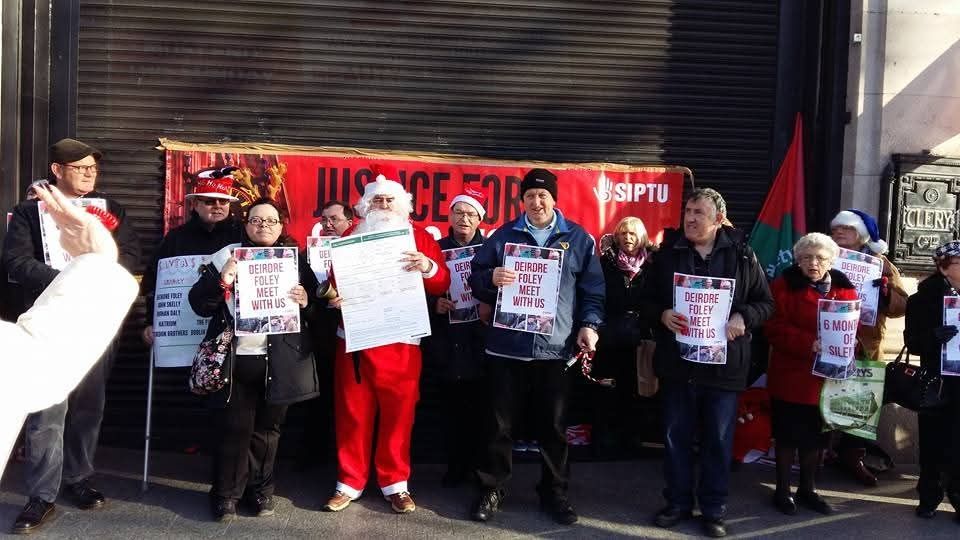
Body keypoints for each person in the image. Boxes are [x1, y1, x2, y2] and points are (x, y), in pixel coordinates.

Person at [2, 138, 141, 534]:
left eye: (92, 168)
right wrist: (69, 281)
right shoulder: (28, 212)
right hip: (48, 325)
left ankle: (79, 478)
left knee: (88, 405)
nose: (88, 173)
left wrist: (96, 275)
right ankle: (41, 495)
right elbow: (16, 261)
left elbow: (130, 255)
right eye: (79, 167)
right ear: (56, 170)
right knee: (48, 413)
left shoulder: (110, 211)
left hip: (94, 324)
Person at [468, 168, 605, 526]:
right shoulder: (503, 236)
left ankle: (554, 491)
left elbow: (593, 290)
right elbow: (477, 278)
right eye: (530, 195)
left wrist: (590, 326)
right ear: (522, 200)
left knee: (554, 427)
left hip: (555, 351)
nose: (537, 201)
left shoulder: (578, 239)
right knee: (498, 426)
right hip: (506, 348)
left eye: (543, 195)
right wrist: (490, 279)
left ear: (554, 200)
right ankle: (492, 487)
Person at [642, 188, 773, 538]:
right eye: (687, 210)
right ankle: (678, 503)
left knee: (718, 441)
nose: (690, 217)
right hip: (679, 365)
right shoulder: (668, 255)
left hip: (724, 368)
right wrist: (662, 313)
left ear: (718, 219)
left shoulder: (743, 256)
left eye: (699, 212)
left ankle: (713, 509)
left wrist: (744, 316)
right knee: (675, 438)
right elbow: (645, 300)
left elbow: (765, 303)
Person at [322, 174, 450, 514]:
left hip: (401, 341)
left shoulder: (419, 237)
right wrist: (336, 299)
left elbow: (441, 283)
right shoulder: (351, 235)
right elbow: (335, 281)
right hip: (356, 342)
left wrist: (427, 265)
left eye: (389, 200)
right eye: (376, 200)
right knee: (352, 413)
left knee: (399, 416)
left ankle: (395, 483)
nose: (382, 205)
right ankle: (349, 482)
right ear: (366, 206)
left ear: (402, 204)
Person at [188, 198, 321, 522]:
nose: (264, 226)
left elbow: (318, 312)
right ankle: (226, 496)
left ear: (281, 226)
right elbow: (199, 304)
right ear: (246, 224)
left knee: (268, 430)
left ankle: (260, 492)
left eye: (271, 221)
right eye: (257, 220)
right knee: (233, 429)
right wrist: (225, 277)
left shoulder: (296, 261)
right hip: (237, 359)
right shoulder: (227, 254)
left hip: (279, 361)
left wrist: (305, 302)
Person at [764, 233, 858, 516]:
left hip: (825, 379)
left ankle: (809, 489)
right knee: (787, 436)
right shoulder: (783, 285)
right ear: (798, 260)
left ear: (831, 260)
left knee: (816, 439)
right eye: (806, 258)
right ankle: (782, 491)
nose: (813, 263)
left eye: (819, 258)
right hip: (791, 375)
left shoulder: (844, 288)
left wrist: (851, 340)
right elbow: (772, 327)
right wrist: (808, 343)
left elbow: (854, 323)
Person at [829, 209, 908, 486]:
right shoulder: (822, 254)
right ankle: (819, 453)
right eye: (836, 229)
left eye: (846, 229)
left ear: (860, 234)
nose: (839, 233)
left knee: (863, 401)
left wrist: (886, 293)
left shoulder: (879, 262)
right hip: (829, 340)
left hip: (866, 342)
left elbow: (902, 304)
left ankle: (853, 455)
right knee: (822, 396)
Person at [422, 186, 489, 487]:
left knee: (481, 409)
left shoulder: (492, 250)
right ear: (449, 215)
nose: (464, 218)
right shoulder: (434, 249)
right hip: (446, 341)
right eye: (459, 212)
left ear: (480, 220)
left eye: (471, 214)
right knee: (450, 408)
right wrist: (433, 304)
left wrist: (491, 300)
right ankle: (454, 466)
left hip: (481, 342)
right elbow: (416, 289)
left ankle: (478, 467)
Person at [141, 168, 242, 345]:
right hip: (181, 335)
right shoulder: (175, 238)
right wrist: (150, 321)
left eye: (224, 201)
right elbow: (154, 282)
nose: (218, 205)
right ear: (195, 204)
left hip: (230, 333)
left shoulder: (241, 235)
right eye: (210, 201)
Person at [904, 240, 960, 519]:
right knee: (933, 443)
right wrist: (933, 337)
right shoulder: (922, 299)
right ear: (943, 267)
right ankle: (929, 496)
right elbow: (911, 343)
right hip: (937, 382)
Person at [591, 216, 655, 456]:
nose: (627, 238)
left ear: (641, 237)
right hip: (609, 337)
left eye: (632, 234)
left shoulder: (652, 265)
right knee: (606, 390)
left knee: (635, 389)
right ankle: (602, 439)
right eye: (622, 234)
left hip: (639, 338)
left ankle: (631, 439)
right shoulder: (604, 263)